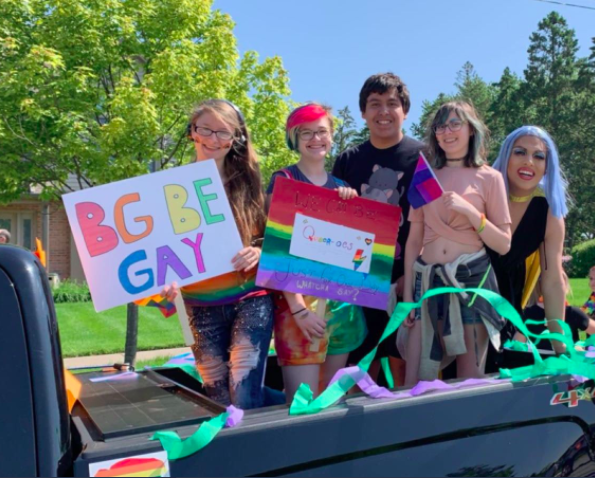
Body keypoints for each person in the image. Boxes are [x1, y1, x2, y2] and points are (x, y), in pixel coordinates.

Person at [160, 99, 279, 410]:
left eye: (223, 133)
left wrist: (258, 251)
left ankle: (263, 449)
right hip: (199, 306)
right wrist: (165, 281)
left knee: (243, 393)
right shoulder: (169, 188)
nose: (214, 139)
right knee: (219, 399)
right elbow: (160, 248)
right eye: (206, 129)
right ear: (192, 133)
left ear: (235, 138)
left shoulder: (251, 183)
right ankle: (288, 410)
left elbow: (273, 239)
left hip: (250, 299)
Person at [402, 101, 512, 386]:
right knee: (415, 379)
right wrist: (407, 299)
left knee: (470, 380)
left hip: (471, 284)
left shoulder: (491, 178)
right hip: (427, 284)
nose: (447, 132)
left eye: (455, 124)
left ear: (471, 130)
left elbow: (503, 244)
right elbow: (414, 240)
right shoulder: (425, 175)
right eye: (441, 126)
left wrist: (471, 213)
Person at [266, 104, 366, 401]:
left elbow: (356, 254)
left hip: (341, 307)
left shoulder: (342, 187)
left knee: (329, 400)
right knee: (302, 402)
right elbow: (276, 251)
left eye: (321, 131)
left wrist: (354, 208)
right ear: (294, 139)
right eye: (306, 132)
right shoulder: (284, 180)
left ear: (332, 136)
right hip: (299, 307)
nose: (315, 138)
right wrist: (298, 309)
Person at [331, 73, 425, 386]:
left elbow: (434, 221)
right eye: (374, 104)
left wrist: (409, 276)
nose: (383, 111)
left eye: (391, 103)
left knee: (403, 365)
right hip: (358, 280)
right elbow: (334, 221)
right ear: (363, 113)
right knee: (359, 367)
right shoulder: (348, 160)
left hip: (407, 280)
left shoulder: (425, 158)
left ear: (405, 111)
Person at [488, 126, 570, 358]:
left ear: (547, 167)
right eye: (520, 152)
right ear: (506, 157)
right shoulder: (482, 195)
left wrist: (561, 348)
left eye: (539, 156)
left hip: (506, 315)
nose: (529, 162)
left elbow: (553, 281)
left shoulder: (549, 214)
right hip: (463, 307)